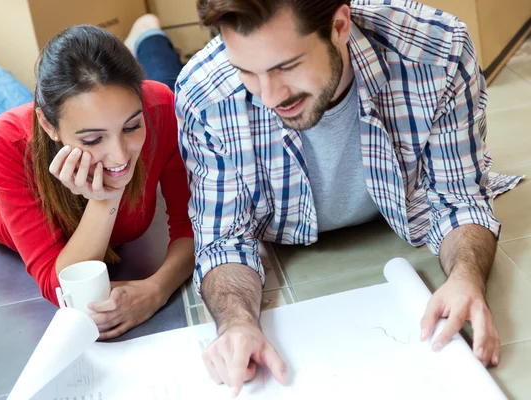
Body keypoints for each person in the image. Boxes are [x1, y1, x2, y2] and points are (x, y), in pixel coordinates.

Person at [175, 0, 523, 396]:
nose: (270, 96)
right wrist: (236, 323)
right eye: (246, 72)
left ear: (339, 25)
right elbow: (223, 241)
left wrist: (466, 278)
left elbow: (459, 198)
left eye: (286, 66)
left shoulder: (437, 51)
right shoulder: (204, 93)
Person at [0, 16, 194, 340]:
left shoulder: (159, 106)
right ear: (49, 127)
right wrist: (107, 196)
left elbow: (193, 224)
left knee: (20, 101)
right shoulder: (3, 143)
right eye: (92, 140)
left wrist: (157, 289)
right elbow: (60, 285)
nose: (120, 156)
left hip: (47, 125)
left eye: (131, 127)